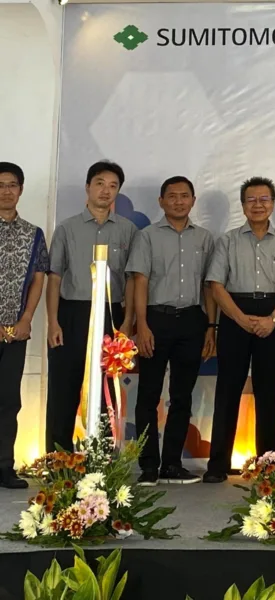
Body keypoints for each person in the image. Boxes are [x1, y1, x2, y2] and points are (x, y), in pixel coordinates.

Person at [203, 177, 275, 483]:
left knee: (267, 392)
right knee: (228, 390)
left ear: (273, 203)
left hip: (272, 317)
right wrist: (240, 319)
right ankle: (217, 465)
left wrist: (272, 319)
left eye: (264, 200)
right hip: (235, 315)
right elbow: (216, 285)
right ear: (243, 205)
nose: (258, 205)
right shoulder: (227, 242)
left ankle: (267, 464)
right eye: (251, 200)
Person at [127, 176, 217, 486]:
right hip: (156, 319)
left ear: (193, 201)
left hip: (192, 321)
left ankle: (172, 465)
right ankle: (148, 466)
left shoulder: (205, 239)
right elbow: (140, 282)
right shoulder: (147, 236)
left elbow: (209, 286)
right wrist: (142, 326)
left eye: (184, 196)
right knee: (148, 395)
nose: (178, 201)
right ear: (161, 201)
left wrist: (210, 327)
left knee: (182, 396)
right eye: (172, 196)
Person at [46, 160, 137, 453]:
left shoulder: (128, 231)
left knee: (107, 391)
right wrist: (53, 322)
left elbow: (132, 280)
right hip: (72, 314)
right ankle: (58, 460)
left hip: (112, 317)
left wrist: (127, 324)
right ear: (88, 187)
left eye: (113, 186)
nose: (105, 191)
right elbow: (55, 277)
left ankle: (103, 462)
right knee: (65, 388)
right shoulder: (67, 228)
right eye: (100, 183)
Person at [0, 163, 48, 489]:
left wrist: (26, 319)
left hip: (15, 332)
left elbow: (38, 277)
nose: (6, 191)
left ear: (21, 189)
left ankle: (4, 466)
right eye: (0, 185)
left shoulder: (33, 234)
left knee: (8, 401)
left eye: (12, 185)